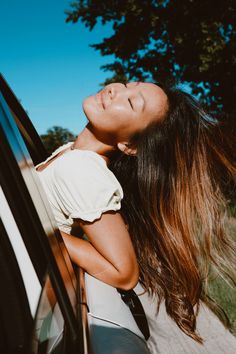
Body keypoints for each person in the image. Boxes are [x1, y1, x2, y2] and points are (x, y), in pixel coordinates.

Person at [35, 81, 236, 353]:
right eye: (128, 85)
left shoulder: (83, 170)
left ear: (129, 145)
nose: (115, 89)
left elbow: (125, 273)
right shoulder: (72, 154)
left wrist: (42, 233)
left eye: (132, 103)